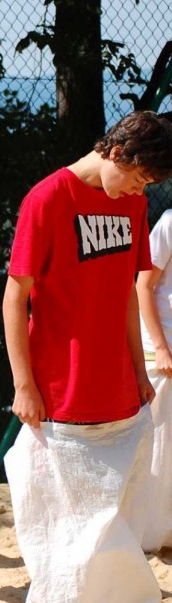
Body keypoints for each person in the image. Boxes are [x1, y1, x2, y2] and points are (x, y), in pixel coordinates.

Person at [2, 110, 172, 603]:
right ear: (118, 152)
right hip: (60, 388)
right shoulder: (48, 198)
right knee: (65, 520)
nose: (139, 191)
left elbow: (127, 289)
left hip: (118, 386)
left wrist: (138, 367)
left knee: (115, 516)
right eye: (141, 177)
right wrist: (23, 384)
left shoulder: (134, 203)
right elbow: (15, 297)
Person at [137, 207, 172, 551]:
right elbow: (143, 286)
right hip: (163, 357)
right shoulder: (170, 222)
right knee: (158, 447)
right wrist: (162, 348)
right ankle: (149, 536)